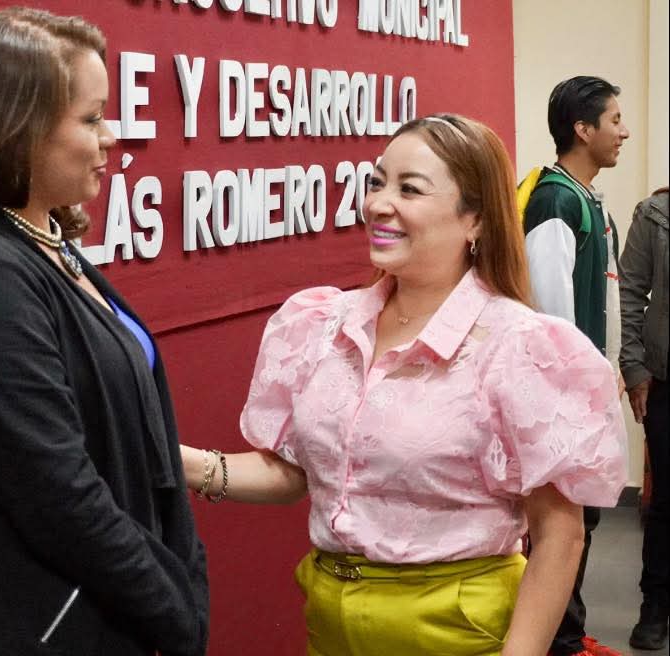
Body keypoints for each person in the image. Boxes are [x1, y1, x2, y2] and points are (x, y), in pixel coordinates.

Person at [181, 113, 628, 655]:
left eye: (409, 189)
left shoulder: (520, 348)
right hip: (330, 623)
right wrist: (177, 463)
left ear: (475, 220)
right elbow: (296, 473)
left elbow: (559, 535)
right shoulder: (322, 325)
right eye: (377, 183)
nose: (378, 204)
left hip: (457, 632)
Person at [0, 8, 208, 655]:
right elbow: (57, 494)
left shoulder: (46, 244)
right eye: (90, 119)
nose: (110, 137)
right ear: (19, 130)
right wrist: (174, 609)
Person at [522, 75, 629, 656]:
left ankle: (569, 635)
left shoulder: (588, 200)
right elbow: (549, 314)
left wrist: (610, 370)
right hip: (559, 399)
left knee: (579, 521)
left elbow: (604, 297)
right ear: (582, 130)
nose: (623, 131)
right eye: (614, 120)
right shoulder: (555, 200)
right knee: (560, 525)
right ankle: (558, 643)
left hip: (585, 393)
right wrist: (574, 389)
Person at [619, 187, 669, 651]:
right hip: (665, 377)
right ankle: (655, 605)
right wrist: (633, 367)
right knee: (667, 499)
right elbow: (630, 291)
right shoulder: (655, 214)